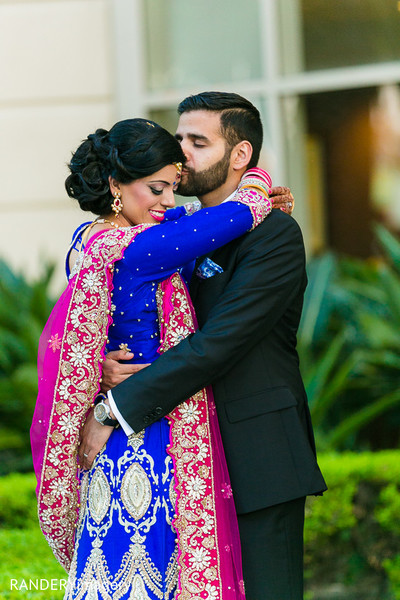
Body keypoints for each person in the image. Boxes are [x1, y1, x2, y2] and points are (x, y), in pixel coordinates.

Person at [80, 93, 328, 600]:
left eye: (198, 141)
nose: (182, 153)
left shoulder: (274, 234)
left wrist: (113, 410)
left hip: (257, 460)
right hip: (183, 463)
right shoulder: (172, 230)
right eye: (180, 140)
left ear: (240, 155)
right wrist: (104, 361)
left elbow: (219, 342)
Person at [30, 117, 286, 600]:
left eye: (172, 187)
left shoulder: (93, 239)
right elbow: (233, 217)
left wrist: (99, 363)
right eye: (157, 188)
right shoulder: (132, 246)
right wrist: (256, 180)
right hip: (147, 440)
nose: (168, 201)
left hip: (126, 430)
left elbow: (189, 224)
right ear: (114, 185)